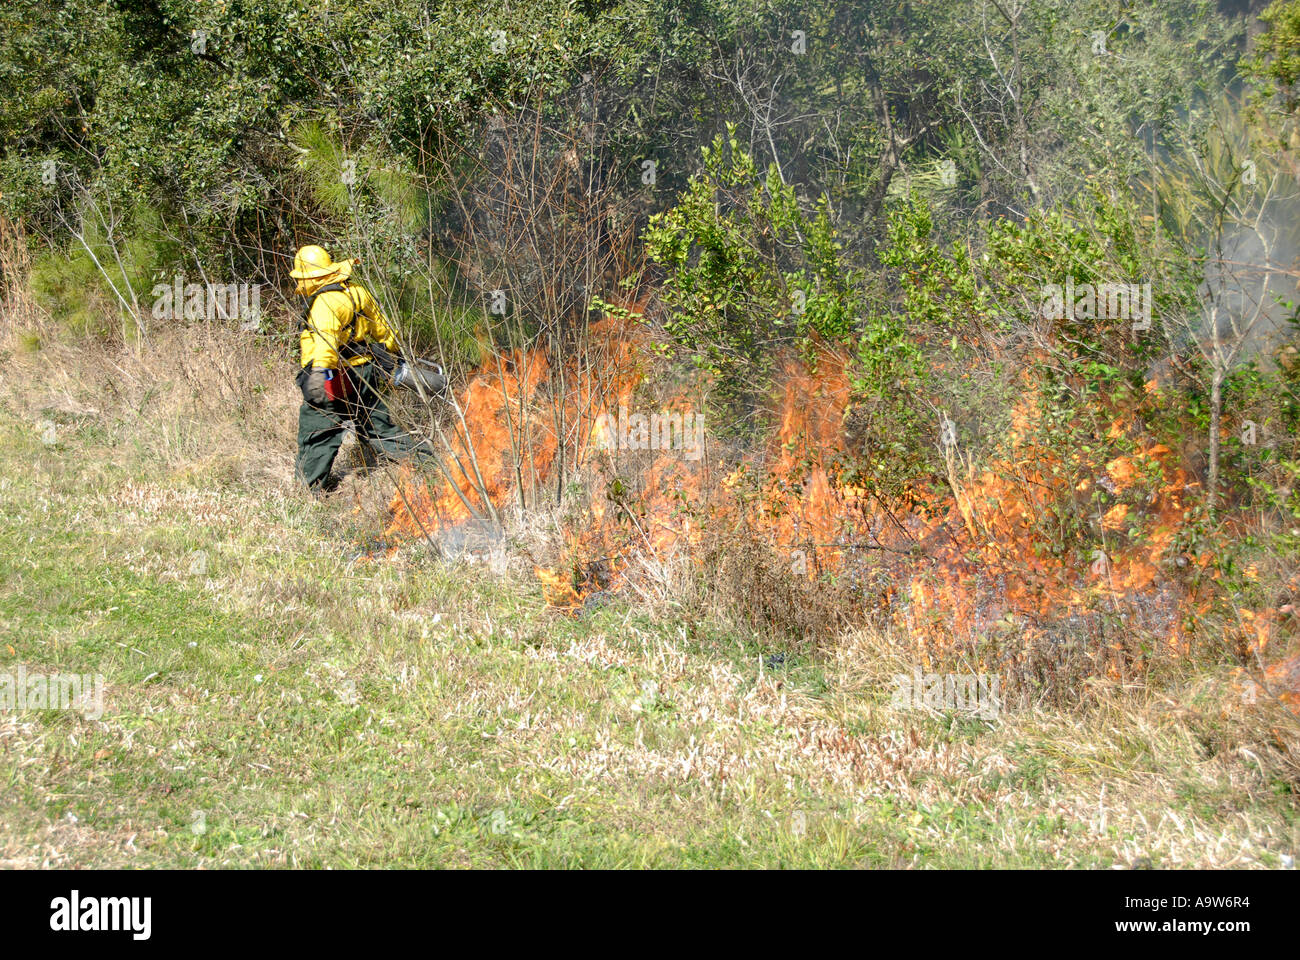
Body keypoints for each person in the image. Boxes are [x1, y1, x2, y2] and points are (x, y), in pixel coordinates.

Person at [289, 244, 428, 492]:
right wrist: (395, 353)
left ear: (312, 277)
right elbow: (385, 332)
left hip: (333, 376)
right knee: (380, 429)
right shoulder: (357, 293)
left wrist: (320, 375)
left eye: (302, 278)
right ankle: (430, 464)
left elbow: (326, 345)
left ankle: (307, 491)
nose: (300, 285)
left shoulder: (324, 303)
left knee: (318, 432)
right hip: (365, 373)